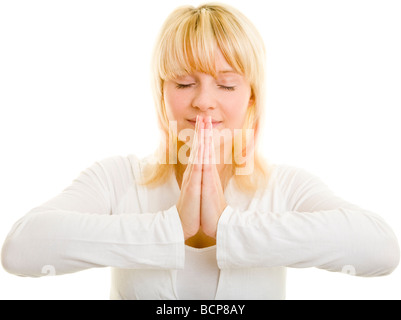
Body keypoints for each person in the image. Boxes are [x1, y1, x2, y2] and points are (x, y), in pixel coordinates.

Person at [1, 3, 399, 300]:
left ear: (251, 97)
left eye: (226, 85)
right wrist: (171, 227)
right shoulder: (117, 178)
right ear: (161, 93)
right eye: (184, 83)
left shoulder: (287, 186)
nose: (204, 102)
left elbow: (379, 250)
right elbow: (22, 250)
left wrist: (228, 227)